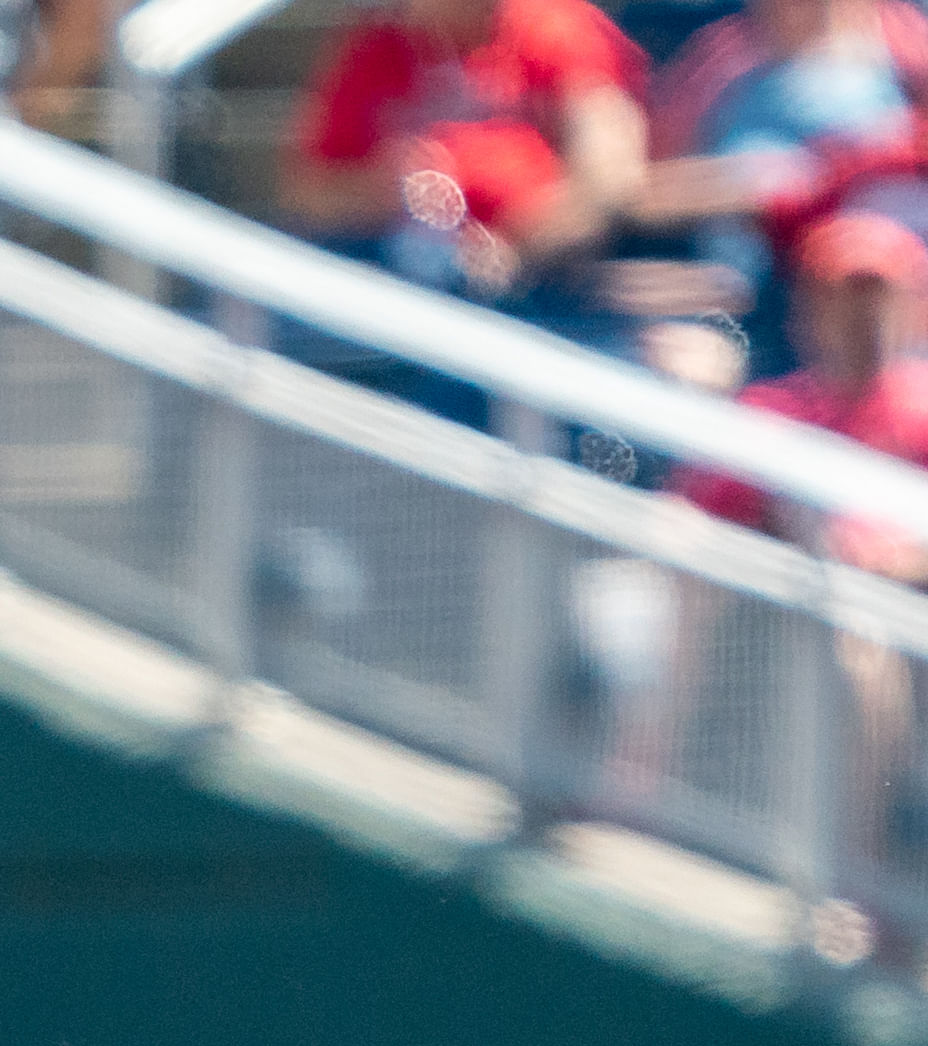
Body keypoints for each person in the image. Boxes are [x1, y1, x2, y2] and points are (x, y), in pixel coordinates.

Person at [618, 214, 928, 874]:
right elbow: (686, 519)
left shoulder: (921, 409)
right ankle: (634, 800)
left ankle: (860, 881)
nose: (860, 319)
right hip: (778, 620)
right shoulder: (777, 412)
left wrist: (887, 557)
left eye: (877, 300)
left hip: (896, 617)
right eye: (843, 299)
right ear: (809, 308)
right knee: (685, 589)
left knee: (862, 648)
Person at [283, 0, 649, 309]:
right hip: (403, 285)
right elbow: (311, 191)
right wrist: (376, 189)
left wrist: (517, 249)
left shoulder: (554, 24)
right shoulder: (378, 44)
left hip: (548, 286)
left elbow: (609, 176)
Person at [638, 0, 928, 373]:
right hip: (752, 297)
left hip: (888, 294)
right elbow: (643, 188)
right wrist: (744, 183)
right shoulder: (721, 56)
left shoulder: (905, 44)